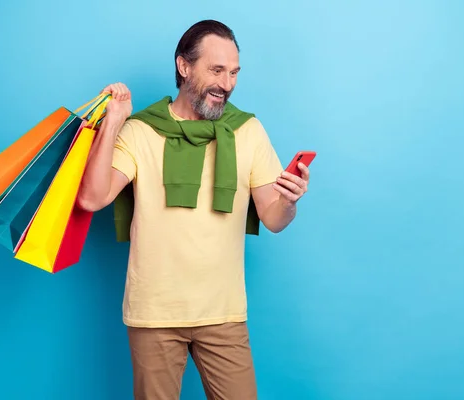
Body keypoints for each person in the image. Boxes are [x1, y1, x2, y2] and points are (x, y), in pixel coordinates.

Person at [77, 19, 311, 400]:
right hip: (154, 314)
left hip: (223, 313)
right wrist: (115, 121)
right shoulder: (141, 131)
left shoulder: (247, 131)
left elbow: (273, 219)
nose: (227, 83)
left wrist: (289, 200)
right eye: (216, 70)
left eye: (234, 72)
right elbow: (92, 198)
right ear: (184, 66)